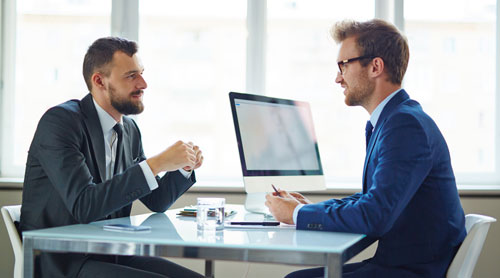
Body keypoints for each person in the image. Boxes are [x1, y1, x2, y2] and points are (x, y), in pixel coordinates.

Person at [265, 19, 466, 278]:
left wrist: (298, 213)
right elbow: (372, 198)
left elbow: (376, 214)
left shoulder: (404, 125)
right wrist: (309, 209)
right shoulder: (392, 120)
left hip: (413, 271)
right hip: (403, 264)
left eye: (343, 66)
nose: (338, 78)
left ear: (375, 66)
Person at [20, 37, 204, 278]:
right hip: (64, 261)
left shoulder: (129, 130)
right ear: (99, 81)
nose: (143, 83)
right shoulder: (60, 122)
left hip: (111, 253)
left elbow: (157, 201)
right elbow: (84, 206)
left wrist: (183, 167)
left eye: (142, 73)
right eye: (131, 76)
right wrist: (157, 163)